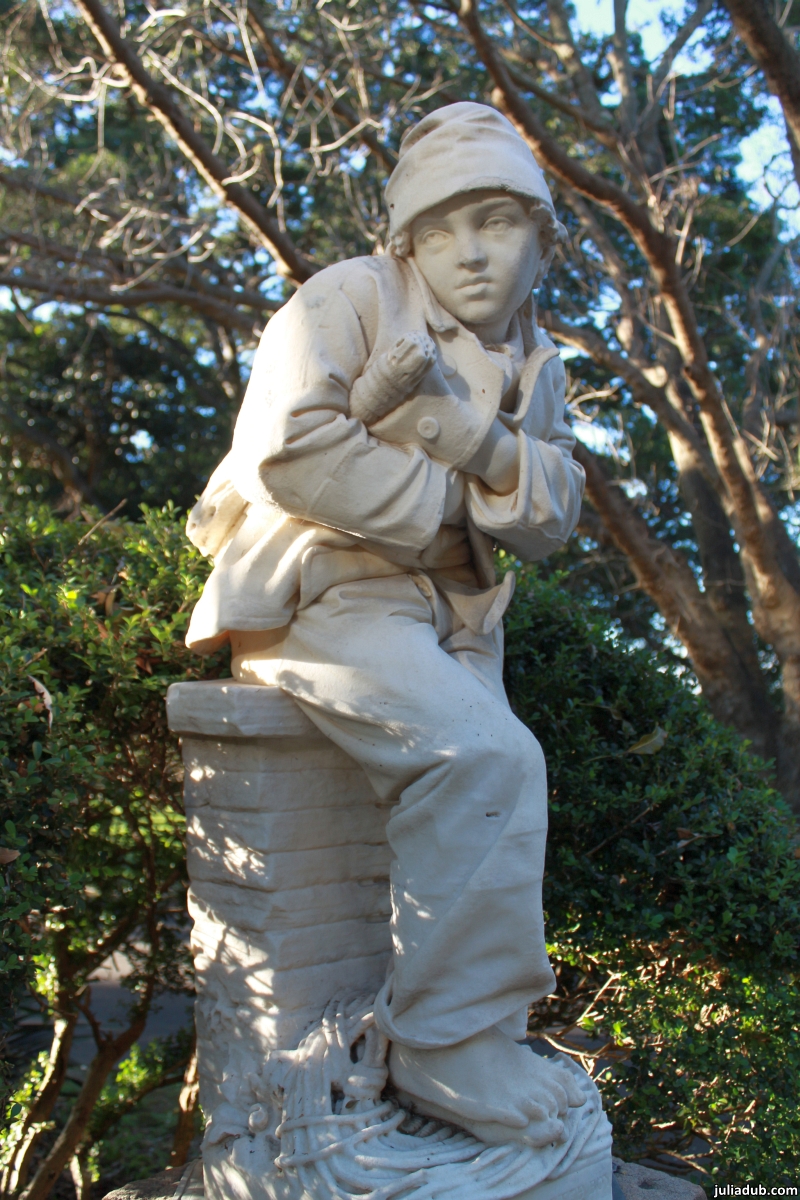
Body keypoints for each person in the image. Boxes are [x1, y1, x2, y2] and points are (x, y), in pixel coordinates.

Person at [185, 102, 587, 1149]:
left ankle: (479, 1030)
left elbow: (551, 512)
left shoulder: (537, 358)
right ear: (404, 242)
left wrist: (474, 444)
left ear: (541, 239)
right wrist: (464, 498)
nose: (471, 253)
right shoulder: (348, 298)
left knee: (501, 777)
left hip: (452, 609)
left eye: (497, 221)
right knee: (483, 757)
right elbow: (290, 451)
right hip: (319, 587)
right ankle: (445, 1047)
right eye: (441, 230)